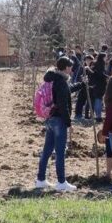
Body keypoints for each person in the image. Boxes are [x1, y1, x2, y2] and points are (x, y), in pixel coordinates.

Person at [36, 56, 84, 192]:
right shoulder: (61, 82)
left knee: (46, 151)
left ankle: (40, 179)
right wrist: (69, 123)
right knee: (60, 152)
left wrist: (81, 84)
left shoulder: (53, 79)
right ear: (65, 68)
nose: (72, 70)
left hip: (50, 118)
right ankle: (61, 182)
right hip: (59, 120)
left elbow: (66, 92)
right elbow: (64, 105)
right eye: (70, 67)